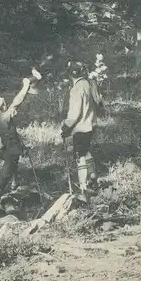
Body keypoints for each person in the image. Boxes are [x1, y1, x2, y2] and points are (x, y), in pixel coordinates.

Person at [0, 69, 41, 218]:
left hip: (7, 151)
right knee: (3, 178)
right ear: (3, 107)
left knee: (12, 171)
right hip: (11, 153)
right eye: (5, 104)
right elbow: (18, 100)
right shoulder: (5, 116)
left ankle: (13, 185)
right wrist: (26, 85)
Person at [60, 61, 101, 198]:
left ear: (71, 74)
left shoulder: (77, 88)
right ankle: (94, 179)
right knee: (87, 152)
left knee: (80, 156)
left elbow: (75, 113)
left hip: (80, 127)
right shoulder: (89, 83)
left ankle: (83, 187)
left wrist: (66, 126)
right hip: (91, 124)